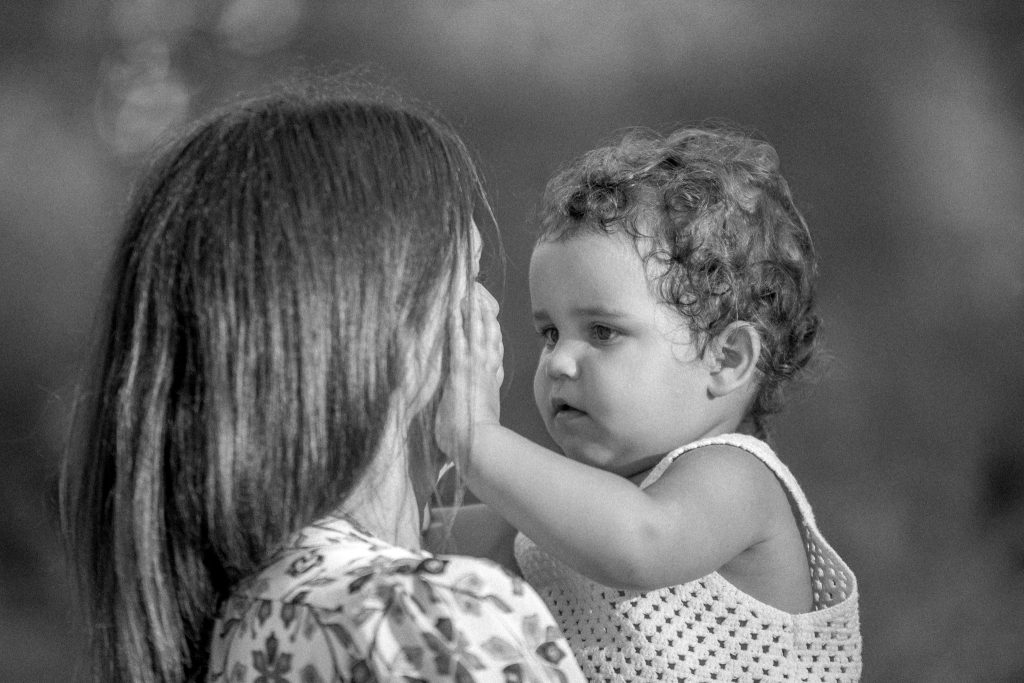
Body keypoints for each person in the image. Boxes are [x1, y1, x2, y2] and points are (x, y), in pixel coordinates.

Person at [60, 84, 586, 683]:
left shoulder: (250, 615)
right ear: (382, 320)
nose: (488, 308)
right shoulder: (426, 612)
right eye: (465, 274)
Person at [437, 126, 862, 681]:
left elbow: (640, 545)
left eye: (603, 332)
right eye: (550, 334)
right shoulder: (578, 515)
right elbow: (419, 540)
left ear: (726, 359)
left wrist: (474, 436)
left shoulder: (738, 478)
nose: (561, 361)